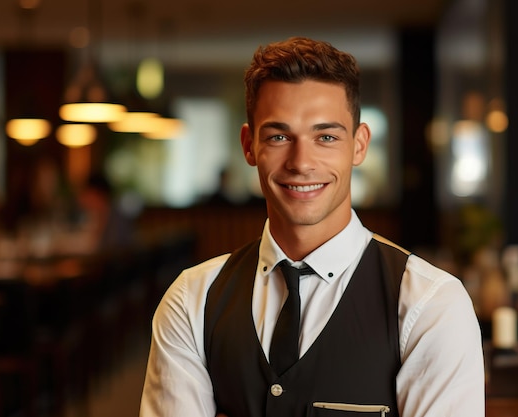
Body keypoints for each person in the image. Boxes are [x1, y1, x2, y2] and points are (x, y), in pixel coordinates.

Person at [140, 37, 484, 417]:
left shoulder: (431, 306)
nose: (301, 162)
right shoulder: (192, 300)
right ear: (249, 145)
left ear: (359, 144)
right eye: (279, 136)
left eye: (326, 137)